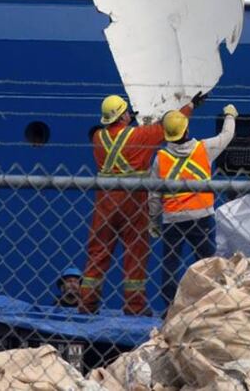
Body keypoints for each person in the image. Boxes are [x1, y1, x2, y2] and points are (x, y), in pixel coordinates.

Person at [79, 92, 204, 315]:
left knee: (98, 251)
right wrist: (190, 105)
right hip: (133, 200)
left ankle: (87, 303)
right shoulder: (140, 136)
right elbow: (168, 125)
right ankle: (134, 306)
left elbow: (119, 141)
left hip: (105, 200)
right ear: (123, 116)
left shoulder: (98, 137)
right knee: (135, 252)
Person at [154, 103, 238, 309]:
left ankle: (169, 307)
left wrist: (154, 220)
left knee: (171, 263)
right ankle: (209, 304)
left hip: (173, 218)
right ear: (187, 130)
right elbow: (226, 136)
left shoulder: (161, 158)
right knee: (207, 262)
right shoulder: (203, 149)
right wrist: (229, 116)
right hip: (201, 217)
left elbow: (154, 194)